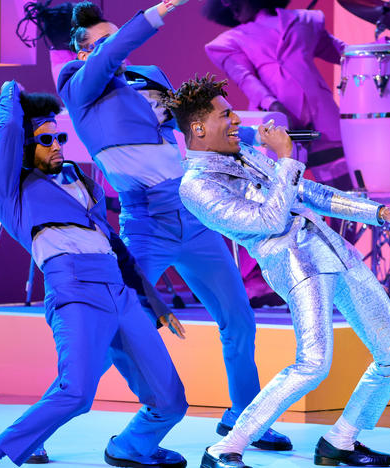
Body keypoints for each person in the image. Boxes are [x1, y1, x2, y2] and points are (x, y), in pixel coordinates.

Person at [164, 75, 390, 468]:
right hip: (297, 266)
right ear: (198, 128)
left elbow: (308, 192)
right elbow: (270, 218)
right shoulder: (196, 185)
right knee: (313, 363)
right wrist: (287, 159)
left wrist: (378, 213)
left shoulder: (245, 152)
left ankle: (341, 441)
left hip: (336, 253)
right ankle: (226, 447)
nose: (235, 121)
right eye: (226, 114)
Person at [57, 1, 291, 451]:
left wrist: (251, 134)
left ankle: (245, 417)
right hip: (146, 221)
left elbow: (190, 131)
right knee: (119, 326)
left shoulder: (147, 74)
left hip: (194, 213)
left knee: (239, 320)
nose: (116, 47)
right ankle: (53, 414)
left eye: (118, 36)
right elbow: (110, 54)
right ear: (84, 51)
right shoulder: (78, 83)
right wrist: (152, 15)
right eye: (105, 40)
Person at [0, 82, 187, 468]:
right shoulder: (6, 188)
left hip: (120, 293)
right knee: (77, 392)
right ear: (26, 146)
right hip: (74, 290)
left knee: (172, 402)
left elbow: (116, 246)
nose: (58, 144)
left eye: (60, 136)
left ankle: (131, 447)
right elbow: (9, 132)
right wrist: (12, 92)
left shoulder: (81, 179)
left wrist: (155, 302)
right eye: (46, 139)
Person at [203, 0, 351, 190]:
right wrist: (275, 108)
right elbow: (246, 80)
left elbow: (343, 53)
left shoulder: (304, 20)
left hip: (322, 119)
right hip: (275, 123)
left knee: (343, 195)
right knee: (278, 194)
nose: (228, 4)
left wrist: (379, 47)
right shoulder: (228, 41)